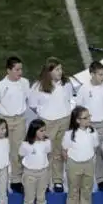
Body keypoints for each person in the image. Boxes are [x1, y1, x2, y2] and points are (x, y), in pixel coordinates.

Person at [30, 57, 74, 193]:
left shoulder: (66, 83)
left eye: (61, 69)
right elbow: (32, 104)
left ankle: (58, 181)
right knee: (47, 151)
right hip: (47, 122)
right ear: (49, 72)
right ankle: (45, 181)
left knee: (60, 151)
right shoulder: (38, 86)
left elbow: (70, 99)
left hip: (64, 120)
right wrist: (43, 114)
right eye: (57, 70)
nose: (60, 72)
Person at [0, 56, 30, 193]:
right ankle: (1, 179)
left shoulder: (25, 83)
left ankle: (16, 180)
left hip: (19, 120)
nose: (20, 72)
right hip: (5, 120)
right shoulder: (1, 86)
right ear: (8, 70)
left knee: (18, 151)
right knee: (3, 149)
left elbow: (27, 98)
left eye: (21, 69)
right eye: (16, 69)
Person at [75, 60, 103, 190]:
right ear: (92, 74)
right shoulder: (84, 89)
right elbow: (79, 107)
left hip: (102, 123)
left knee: (101, 151)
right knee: (87, 151)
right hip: (87, 125)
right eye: (99, 74)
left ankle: (101, 178)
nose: (102, 77)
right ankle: (85, 177)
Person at [62, 106, 97, 204]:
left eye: (89, 116)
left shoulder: (92, 132)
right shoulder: (69, 134)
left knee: (86, 192)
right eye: (85, 118)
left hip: (88, 163)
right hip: (74, 164)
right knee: (73, 192)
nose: (89, 119)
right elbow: (65, 150)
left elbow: (95, 146)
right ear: (77, 120)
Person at [20, 119, 51, 204]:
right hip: (29, 174)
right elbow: (21, 154)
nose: (44, 133)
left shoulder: (47, 142)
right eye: (41, 131)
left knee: (41, 198)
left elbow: (47, 152)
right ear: (34, 131)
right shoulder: (26, 144)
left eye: (44, 130)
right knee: (29, 199)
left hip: (43, 173)